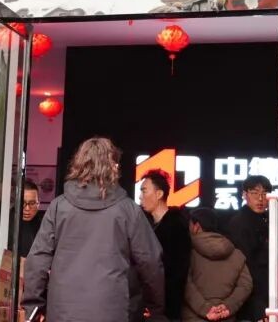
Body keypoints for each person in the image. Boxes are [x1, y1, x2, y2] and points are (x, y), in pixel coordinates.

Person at [23, 137, 168, 322]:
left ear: (78, 164)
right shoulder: (128, 210)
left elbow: (37, 260)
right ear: (113, 167)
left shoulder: (59, 207)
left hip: (63, 312)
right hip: (111, 312)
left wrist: (33, 308)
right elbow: (151, 261)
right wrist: (155, 309)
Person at [182, 207, 252, 322]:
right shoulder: (236, 254)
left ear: (196, 226)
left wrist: (204, 308)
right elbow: (246, 285)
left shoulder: (187, 253)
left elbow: (184, 283)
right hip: (226, 318)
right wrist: (228, 306)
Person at [140, 169, 192, 321]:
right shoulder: (148, 225)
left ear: (159, 194)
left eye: (144, 191)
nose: (140, 196)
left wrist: (157, 306)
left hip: (164, 311)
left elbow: (176, 273)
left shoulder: (176, 227)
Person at [224, 176, 273, 322]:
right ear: (244, 195)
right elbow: (246, 268)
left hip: (268, 290)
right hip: (251, 296)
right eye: (255, 193)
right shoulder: (239, 223)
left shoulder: (270, 219)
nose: (260, 199)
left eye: (265, 193)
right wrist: (259, 309)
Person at [18, 179, 44, 258]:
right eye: (23, 203)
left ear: (38, 204)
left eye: (32, 203)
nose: (27, 208)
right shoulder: (6, 222)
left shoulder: (45, 224)